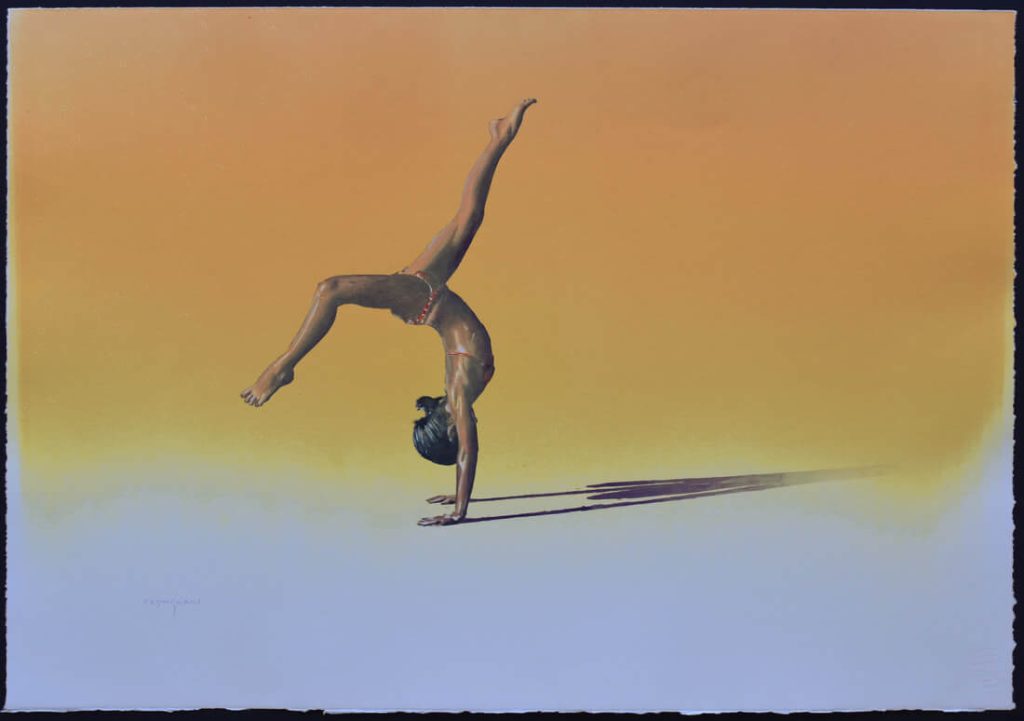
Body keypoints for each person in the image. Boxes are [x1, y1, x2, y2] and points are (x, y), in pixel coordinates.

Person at [240, 98, 537, 526]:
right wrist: (455, 498)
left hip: (425, 299)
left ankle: (283, 367)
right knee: (468, 217)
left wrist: (459, 509)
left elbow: (468, 452)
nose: (468, 432)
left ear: (450, 429)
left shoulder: (459, 395)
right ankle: (499, 137)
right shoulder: (461, 395)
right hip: (430, 295)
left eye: (459, 435)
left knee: (330, 290)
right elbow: (466, 451)